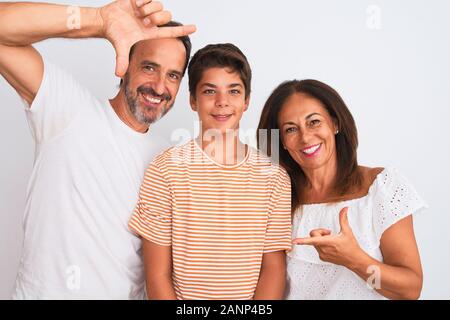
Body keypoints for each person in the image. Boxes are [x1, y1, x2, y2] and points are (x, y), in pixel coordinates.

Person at [0, 0, 195, 299]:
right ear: (124, 63)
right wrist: (100, 21)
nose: (159, 86)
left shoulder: (169, 163)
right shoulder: (68, 110)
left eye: (173, 75)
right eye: (149, 67)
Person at [128, 43, 292, 300]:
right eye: (209, 91)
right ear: (193, 100)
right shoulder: (164, 170)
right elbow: (158, 275)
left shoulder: (274, 177)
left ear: (246, 100)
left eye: (234, 91)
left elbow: (273, 269)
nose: (222, 102)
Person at [257, 79, 426, 300]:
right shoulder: (275, 198)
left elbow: (410, 290)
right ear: (282, 143)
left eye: (314, 122)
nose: (306, 137)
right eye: (291, 129)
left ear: (335, 124)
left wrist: (353, 259)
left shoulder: (380, 187)